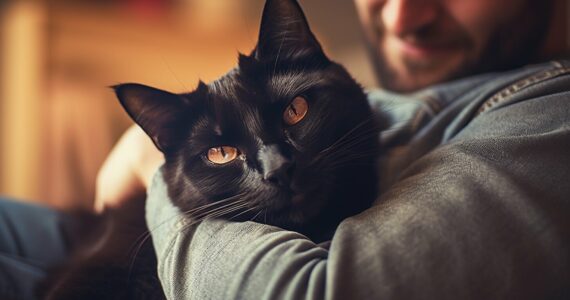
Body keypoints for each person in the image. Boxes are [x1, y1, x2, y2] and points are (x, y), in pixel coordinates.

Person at [1, 0, 569, 299]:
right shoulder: (437, 71)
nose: (400, 15)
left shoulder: (547, 115)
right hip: (108, 237)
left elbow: (302, 293)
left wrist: (162, 173)